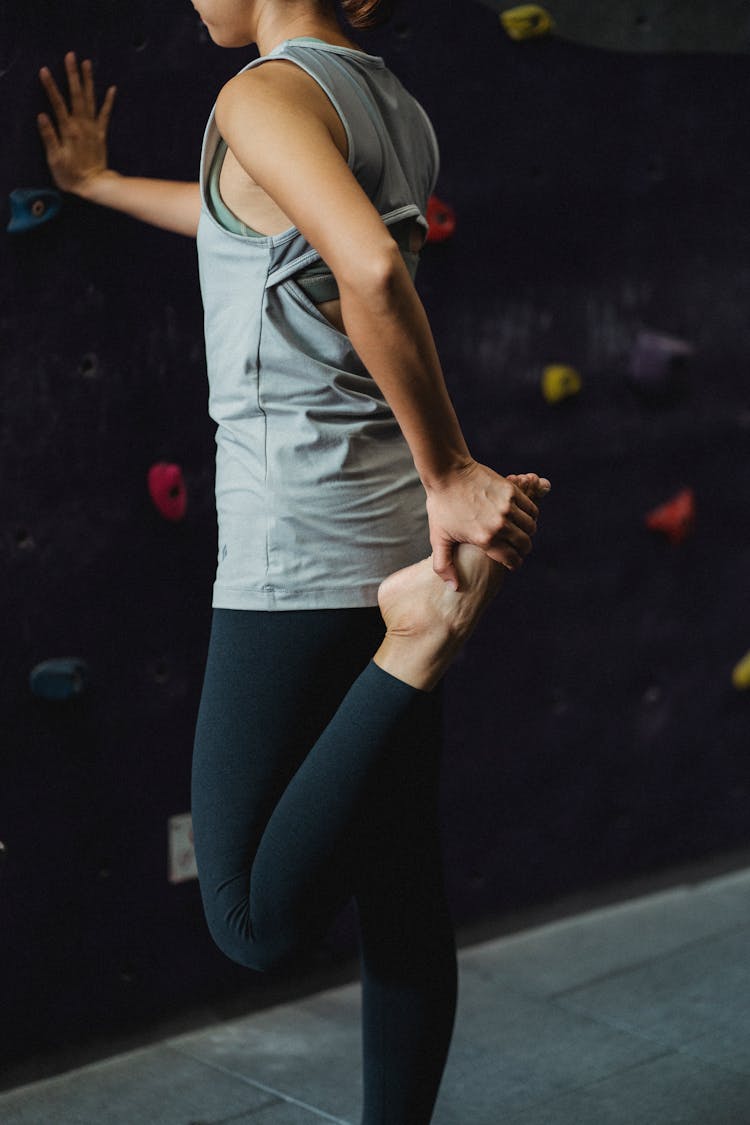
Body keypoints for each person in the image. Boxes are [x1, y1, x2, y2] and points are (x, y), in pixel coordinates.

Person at [38, 3, 550, 1121]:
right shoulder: (389, 102)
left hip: (299, 545)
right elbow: (256, 227)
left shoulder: (261, 95)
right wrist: (102, 183)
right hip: (384, 538)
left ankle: (419, 643)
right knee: (401, 884)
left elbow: (367, 270)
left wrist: (455, 469)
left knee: (250, 919)